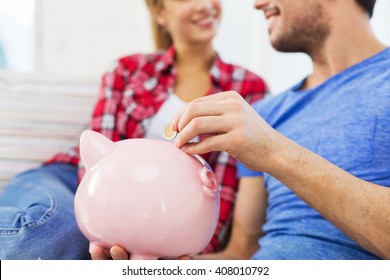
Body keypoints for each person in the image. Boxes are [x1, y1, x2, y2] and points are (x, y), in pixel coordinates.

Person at [0, 0, 268, 260]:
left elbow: (222, 186)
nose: (205, 5)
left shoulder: (246, 89)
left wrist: (181, 248)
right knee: (34, 240)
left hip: (152, 217)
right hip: (77, 183)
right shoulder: (128, 70)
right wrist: (106, 224)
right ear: (160, 13)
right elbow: (96, 161)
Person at [169, 0, 390, 260]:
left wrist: (273, 150)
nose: (258, 4)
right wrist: (160, 266)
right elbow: (242, 253)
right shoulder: (263, 115)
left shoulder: (260, 133)